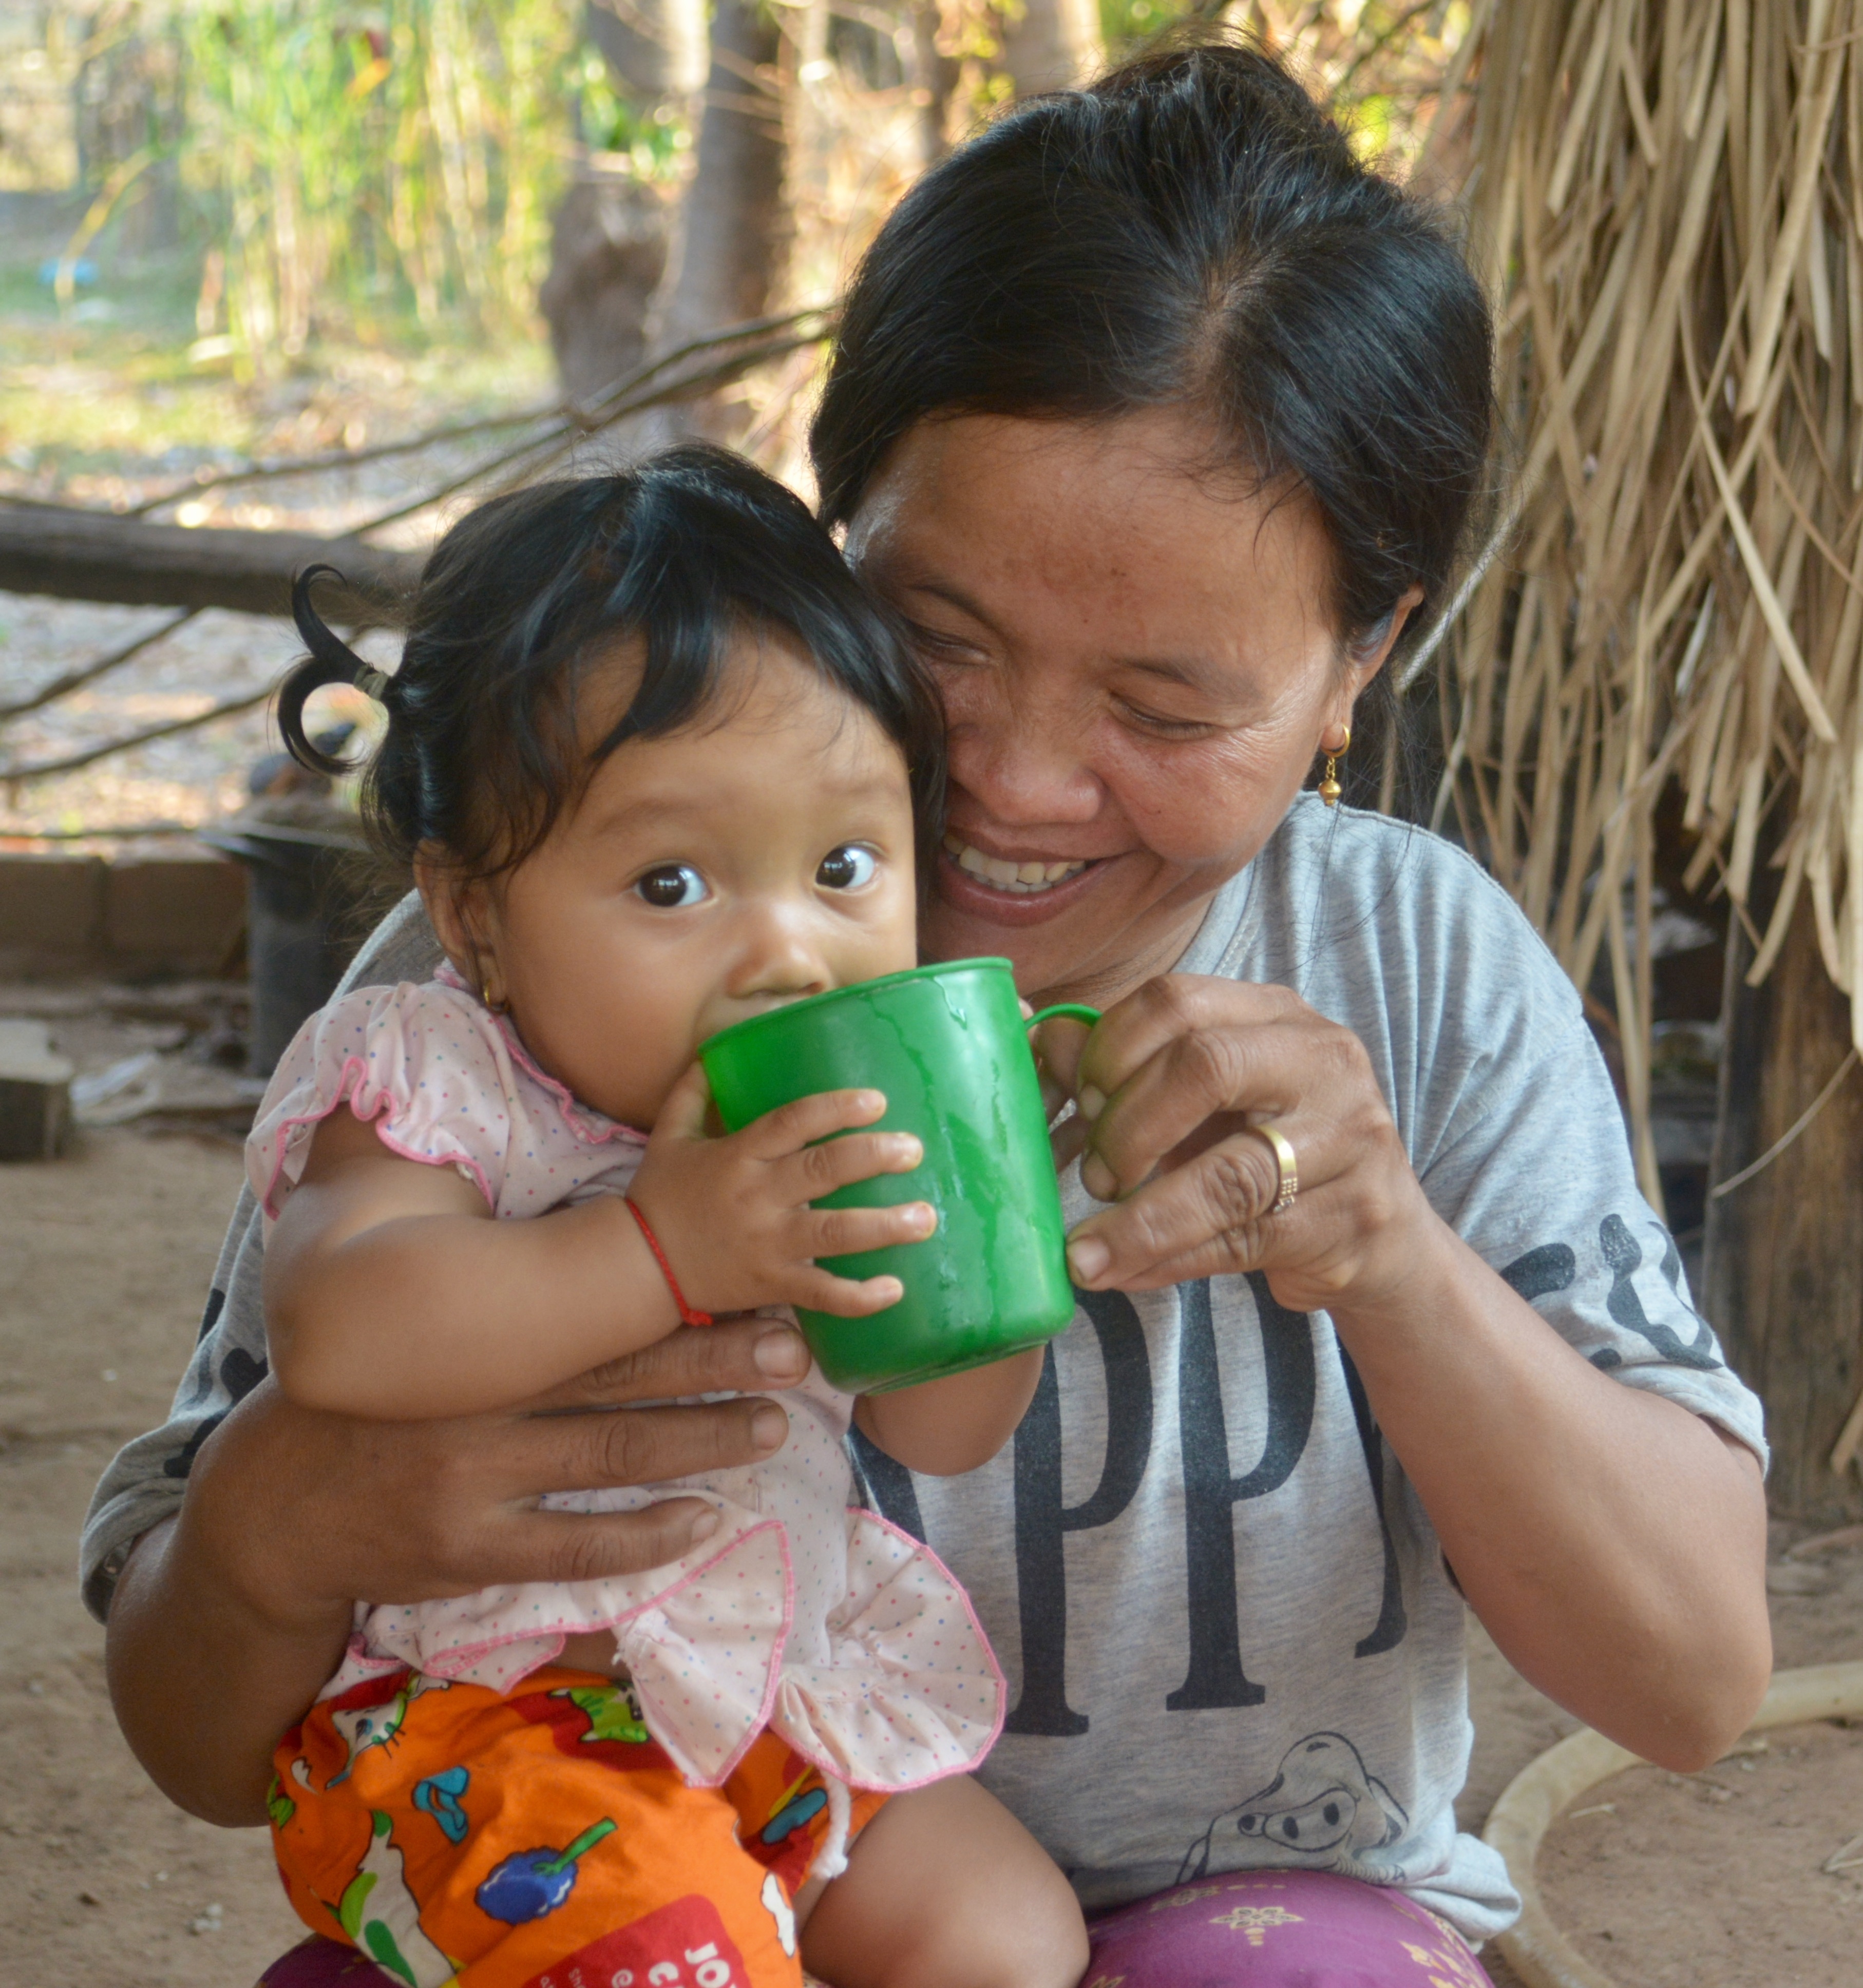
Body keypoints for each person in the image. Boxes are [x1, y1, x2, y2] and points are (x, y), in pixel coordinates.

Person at [89, 33, 1771, 1988]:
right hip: (601, 1847)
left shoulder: (1411, 967)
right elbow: (201, 1739)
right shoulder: (520, 987)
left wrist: (1386, 1256)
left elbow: (1688, 1684)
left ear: (1357, 661)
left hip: (1209, 1909)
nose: (1009, 787)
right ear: (828, 526)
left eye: (1162, 708)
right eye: (931, 640)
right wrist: (275, 1528)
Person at [233, 444, 1087, 1988]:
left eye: (842, 866)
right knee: (673, 1947)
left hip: (769, 1699)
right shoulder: (440, 1080)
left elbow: (946, 1427)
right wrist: (657, 1251)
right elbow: (342, 1326)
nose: (785, 952)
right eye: (674, 883)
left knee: (1003, 1935)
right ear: (473, 917)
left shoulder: (826, 1115)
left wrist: (975, 1220)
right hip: (494, 1723)